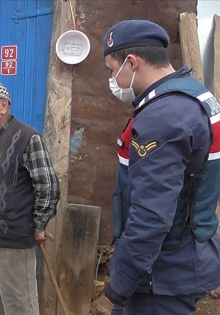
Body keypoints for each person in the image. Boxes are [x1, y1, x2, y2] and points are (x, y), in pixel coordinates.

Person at [103, 20, 220, 314]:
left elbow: (152, 214)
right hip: (186, 257)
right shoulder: (195, 96)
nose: (113, 80)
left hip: (162, 273)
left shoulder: (163, 117)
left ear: (131, 62)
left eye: (111, 69)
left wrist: (122, 279)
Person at [0, 81, 60, 315]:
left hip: (13, 240)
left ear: (3, 106)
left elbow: (48, 185)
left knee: (19, 306)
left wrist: (39, 225)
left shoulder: (28, 137)